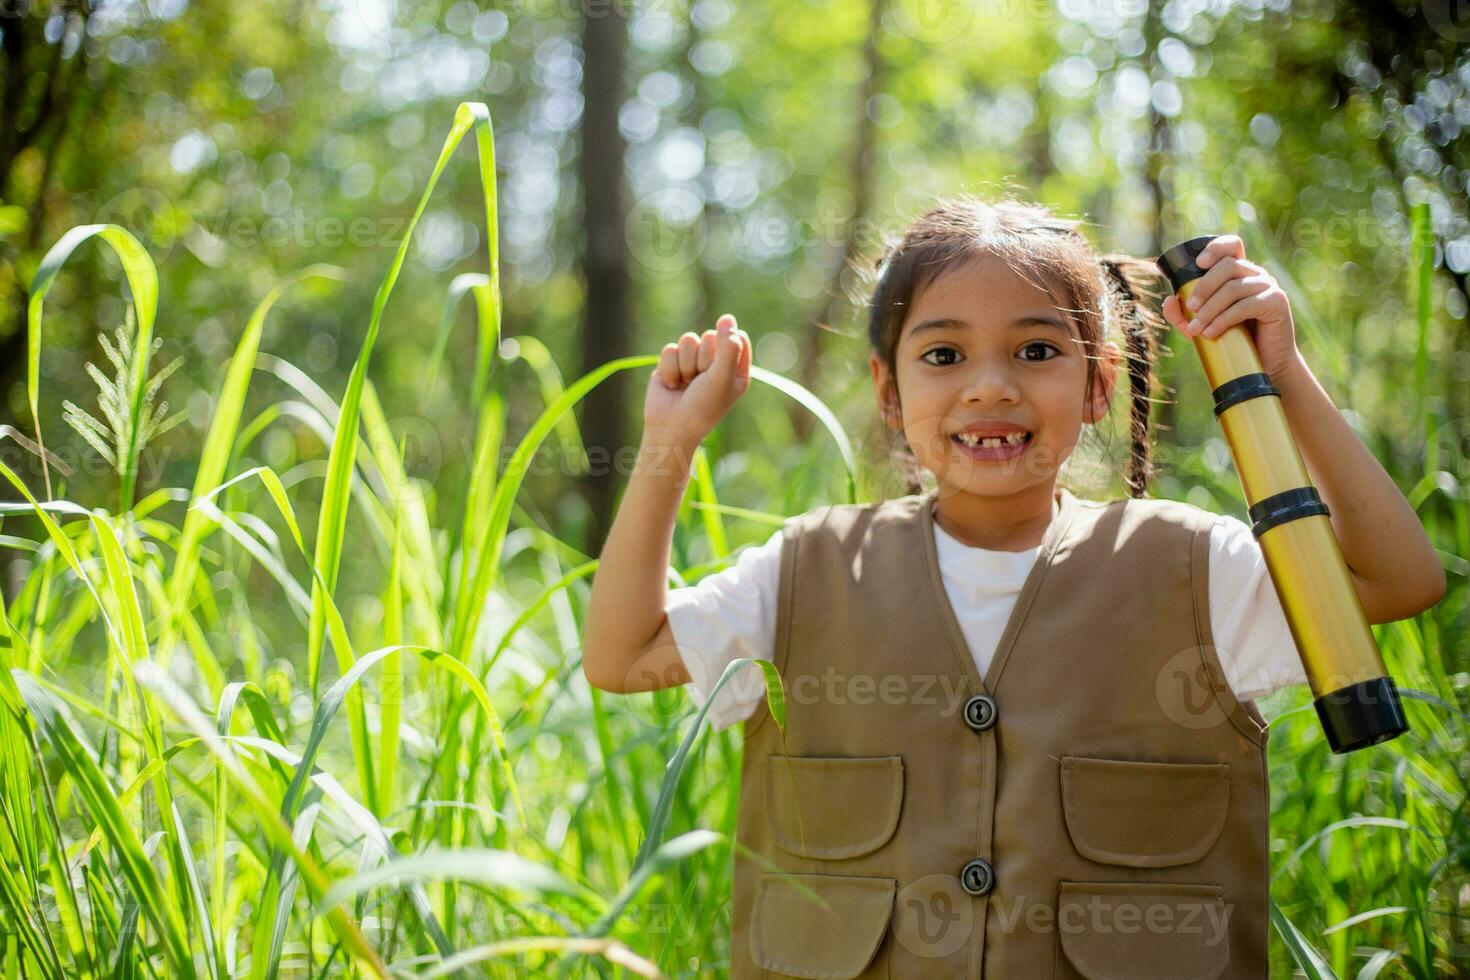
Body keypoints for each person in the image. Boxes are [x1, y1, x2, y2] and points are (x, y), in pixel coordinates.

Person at [580, 195, 1445, 978]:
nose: (989, 386)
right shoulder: (807, 573)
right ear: (889, 391)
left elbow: (1397, 578)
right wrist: (668, 444)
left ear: (1100, 382)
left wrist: (1282, 373)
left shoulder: (1190, 571)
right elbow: (626, 656)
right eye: (944, 353)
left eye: (1037, 350)